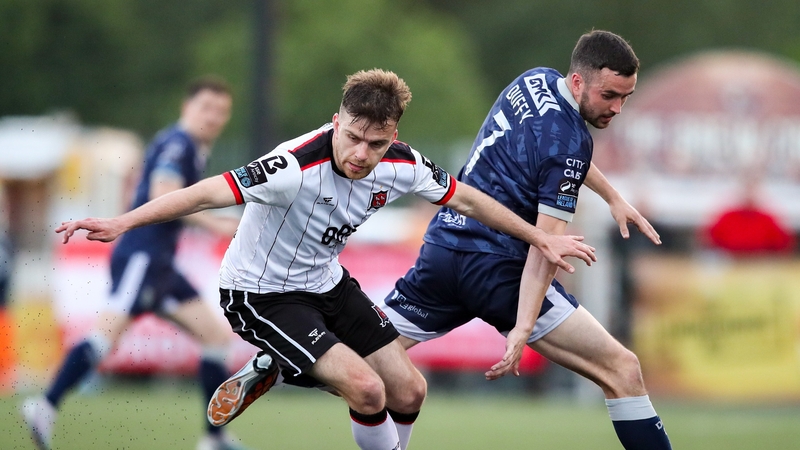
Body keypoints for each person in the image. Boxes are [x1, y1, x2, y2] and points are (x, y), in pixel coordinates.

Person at [54, 69, 597, 450]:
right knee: (367, 389)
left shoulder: (403, 163)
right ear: (336, 121)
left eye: (375, 144)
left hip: (327, 284)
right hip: (260, 294)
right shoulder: (291, 167)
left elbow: (470, 200)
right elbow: (202, 193)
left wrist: (540, 238)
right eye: (353, 137)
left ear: (393, 136)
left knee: (411, 389)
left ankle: (276, 365)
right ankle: (280, 360)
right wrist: (122, 222)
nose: (361, 154)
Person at [375, 30, 673, 450]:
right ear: (578, 82)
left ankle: (286, 357)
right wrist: (522, 328)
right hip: (500, 274)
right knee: (622, 370)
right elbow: (545, 246)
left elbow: (558, 152)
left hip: (444, 251)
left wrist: (612, 197)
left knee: (363, 352)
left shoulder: (534, 80)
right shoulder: (571, 145)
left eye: (625, 97)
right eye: (609, 95)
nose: (616, 108)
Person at [23, 76, 245, 450]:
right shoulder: (178, 144)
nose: (213, 117)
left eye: (221, 111)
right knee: (103, 339)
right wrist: (216, 224)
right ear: (186, 107)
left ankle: (214, 438)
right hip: (142, 257)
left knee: (216, 338)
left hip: (161, 265)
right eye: (206, 107)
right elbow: (163, 193)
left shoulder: (188, 147)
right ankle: (44, 406)